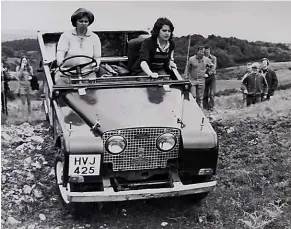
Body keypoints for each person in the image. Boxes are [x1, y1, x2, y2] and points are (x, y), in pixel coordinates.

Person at [55, 8, 102, 84]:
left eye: (86, 21)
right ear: (75, 22)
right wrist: (60, 60)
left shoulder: (94, 37)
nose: (83, 23)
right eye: (81, 21)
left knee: (91, 89)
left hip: (87, 72)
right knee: (60, 84)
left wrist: (96, 64)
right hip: (67, 71)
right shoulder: (66, 36)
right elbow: (61, 51)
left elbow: (97, 57)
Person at [203, 46, 217, 111]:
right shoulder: (202, 58)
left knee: (212, 93)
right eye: (206, 51)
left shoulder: (213, 58)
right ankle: (205, 108)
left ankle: (212, 107)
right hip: (204, 77)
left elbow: (213, 67)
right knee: (205, 93)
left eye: (208, 50)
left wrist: (208, 73)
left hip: (212, 77)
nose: (207, 52)